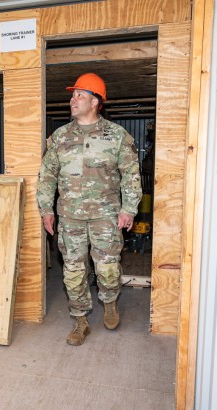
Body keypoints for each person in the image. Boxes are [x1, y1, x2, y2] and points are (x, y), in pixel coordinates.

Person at [37, 73, 142, 346]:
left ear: (95, 101)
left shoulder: (116, 136)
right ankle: (80, 319)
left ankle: (109, 302)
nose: (73, 99)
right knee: (73, 270)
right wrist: (46, 209)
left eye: (80, 95)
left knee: (107, 267)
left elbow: (131, 174)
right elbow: (47, 175)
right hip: (70, 215)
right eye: (73, 95)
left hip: (106, 215)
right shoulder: (60, 137)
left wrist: (129, 208)